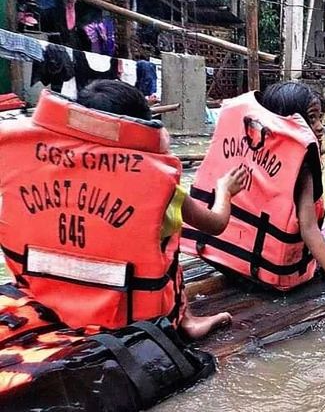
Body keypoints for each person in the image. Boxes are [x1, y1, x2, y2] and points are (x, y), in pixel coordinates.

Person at [0, 80, 240, 340]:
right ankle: (186, 322)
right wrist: (225, 189)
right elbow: (215, 223)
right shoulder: (158, 182)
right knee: (168, 238)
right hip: (128, 316)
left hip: (43, 298)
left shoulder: (28, 162)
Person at [181, 81, 325, 296]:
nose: (320, 126)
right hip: (274, 274)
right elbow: (308, 229)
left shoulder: (243, 141)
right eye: (311, 118)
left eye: (320, 118)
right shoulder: (301, 165)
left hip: (224, 258)